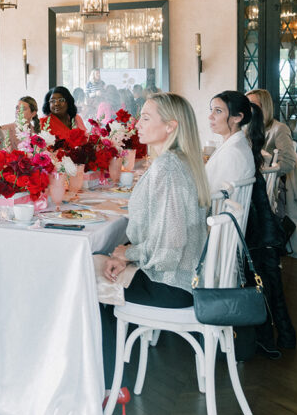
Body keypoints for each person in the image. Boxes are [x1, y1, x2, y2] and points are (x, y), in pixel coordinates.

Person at [99, 93, 210, 379]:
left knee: (84, 279)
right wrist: (126, 252)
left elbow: (170, 247)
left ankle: (108, 381)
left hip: (170, 284)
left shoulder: (168, 168)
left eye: (146, 118)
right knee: (100, 264)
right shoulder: (179, 161)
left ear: (171, 126)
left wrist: (128, 254)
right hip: (183, 278)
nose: (138, 123)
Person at [242, 93, 297, 355]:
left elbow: (287, 163)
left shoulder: (253, 141)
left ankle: (269, 333)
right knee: (269, 274)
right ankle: (282, 332)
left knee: (264, 273)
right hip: (262, 219)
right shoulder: (248, 141)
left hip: (257, 221)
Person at [246, 89, 297, 260]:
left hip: (278, 185)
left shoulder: (279, 129)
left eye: (252, 105)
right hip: (259, 181)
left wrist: (264, 174)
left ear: (264, 107)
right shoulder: (249, 129)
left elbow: (288, 162)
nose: (248, 109)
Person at [205, 91, 262, 192]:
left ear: (238, 117)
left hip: (221, 206)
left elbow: (215, 194)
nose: (210, 116)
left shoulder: (232, 152)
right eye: (211, 110)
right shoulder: (235, 145)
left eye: (218, 111)